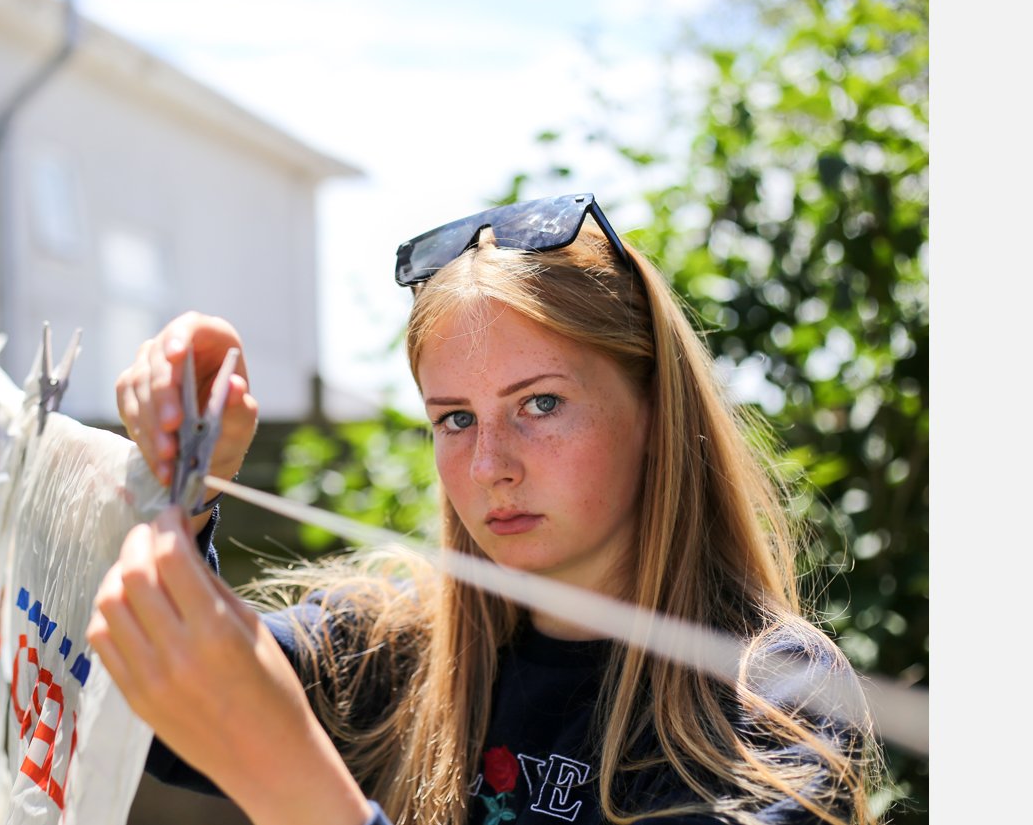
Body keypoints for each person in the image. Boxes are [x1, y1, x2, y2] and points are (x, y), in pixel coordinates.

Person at [86, 194, 880, 825]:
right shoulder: (396, 648)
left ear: (656, 412)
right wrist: (185, 486)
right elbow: (142, 719)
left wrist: (299, 790)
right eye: (456, 418)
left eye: (540, 403)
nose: (491, 465)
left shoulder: (773, 710)